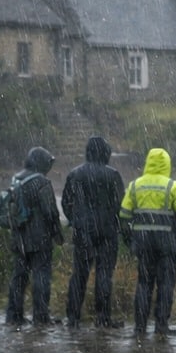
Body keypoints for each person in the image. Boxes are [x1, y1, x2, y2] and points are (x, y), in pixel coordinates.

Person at [119, 146, 176, 336]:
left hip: (144, 244)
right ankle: (161, 325)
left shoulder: (135, 185)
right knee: (166, 284)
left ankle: (140, 327)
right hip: (167, 245)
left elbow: (123, 216)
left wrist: (129, 239)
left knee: (144, 284)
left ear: (147, 163)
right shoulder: (172, 186)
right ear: (167, 165)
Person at [62, 136, 126, 328]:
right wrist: (117, 224)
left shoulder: (75, 174)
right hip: (107, 231)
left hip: (82, 231)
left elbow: (66, 202)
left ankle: (73, 318)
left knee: (79, 274)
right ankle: (103, 317)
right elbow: (120, 205)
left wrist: (75, 220)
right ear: (105, 153)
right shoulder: (113, 175)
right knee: (104, 274)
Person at [4, 145, 63, 327]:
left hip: (19, 237)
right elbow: (50, 212)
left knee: (19, 276)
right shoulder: (42, 183)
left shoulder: (16, 179)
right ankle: (41, 316)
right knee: (41, 276)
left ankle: (14, 315)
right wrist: (57, 233)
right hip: (40, 239)